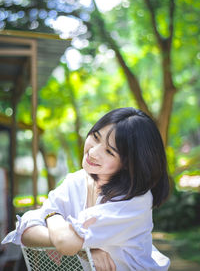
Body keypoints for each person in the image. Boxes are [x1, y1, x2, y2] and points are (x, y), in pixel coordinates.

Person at [2, 107, 170, 271]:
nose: (93, 152)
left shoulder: (133, 201)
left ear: (128, 164)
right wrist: (85, 250)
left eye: (109, 152)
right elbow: (26, 232)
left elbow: (64, 241)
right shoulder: (78, 181)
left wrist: (50, 215)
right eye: (95, 137)